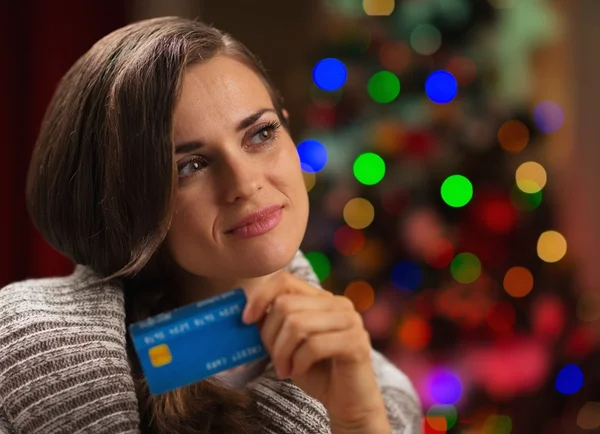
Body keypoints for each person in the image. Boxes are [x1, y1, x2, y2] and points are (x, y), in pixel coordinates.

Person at [0, 16, 421, 434]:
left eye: (260, 134)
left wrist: (362, 423)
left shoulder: (386, 399)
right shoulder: (15, 356)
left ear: (289, 129)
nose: (245, 183)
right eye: (191, 165)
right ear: (120, 202)